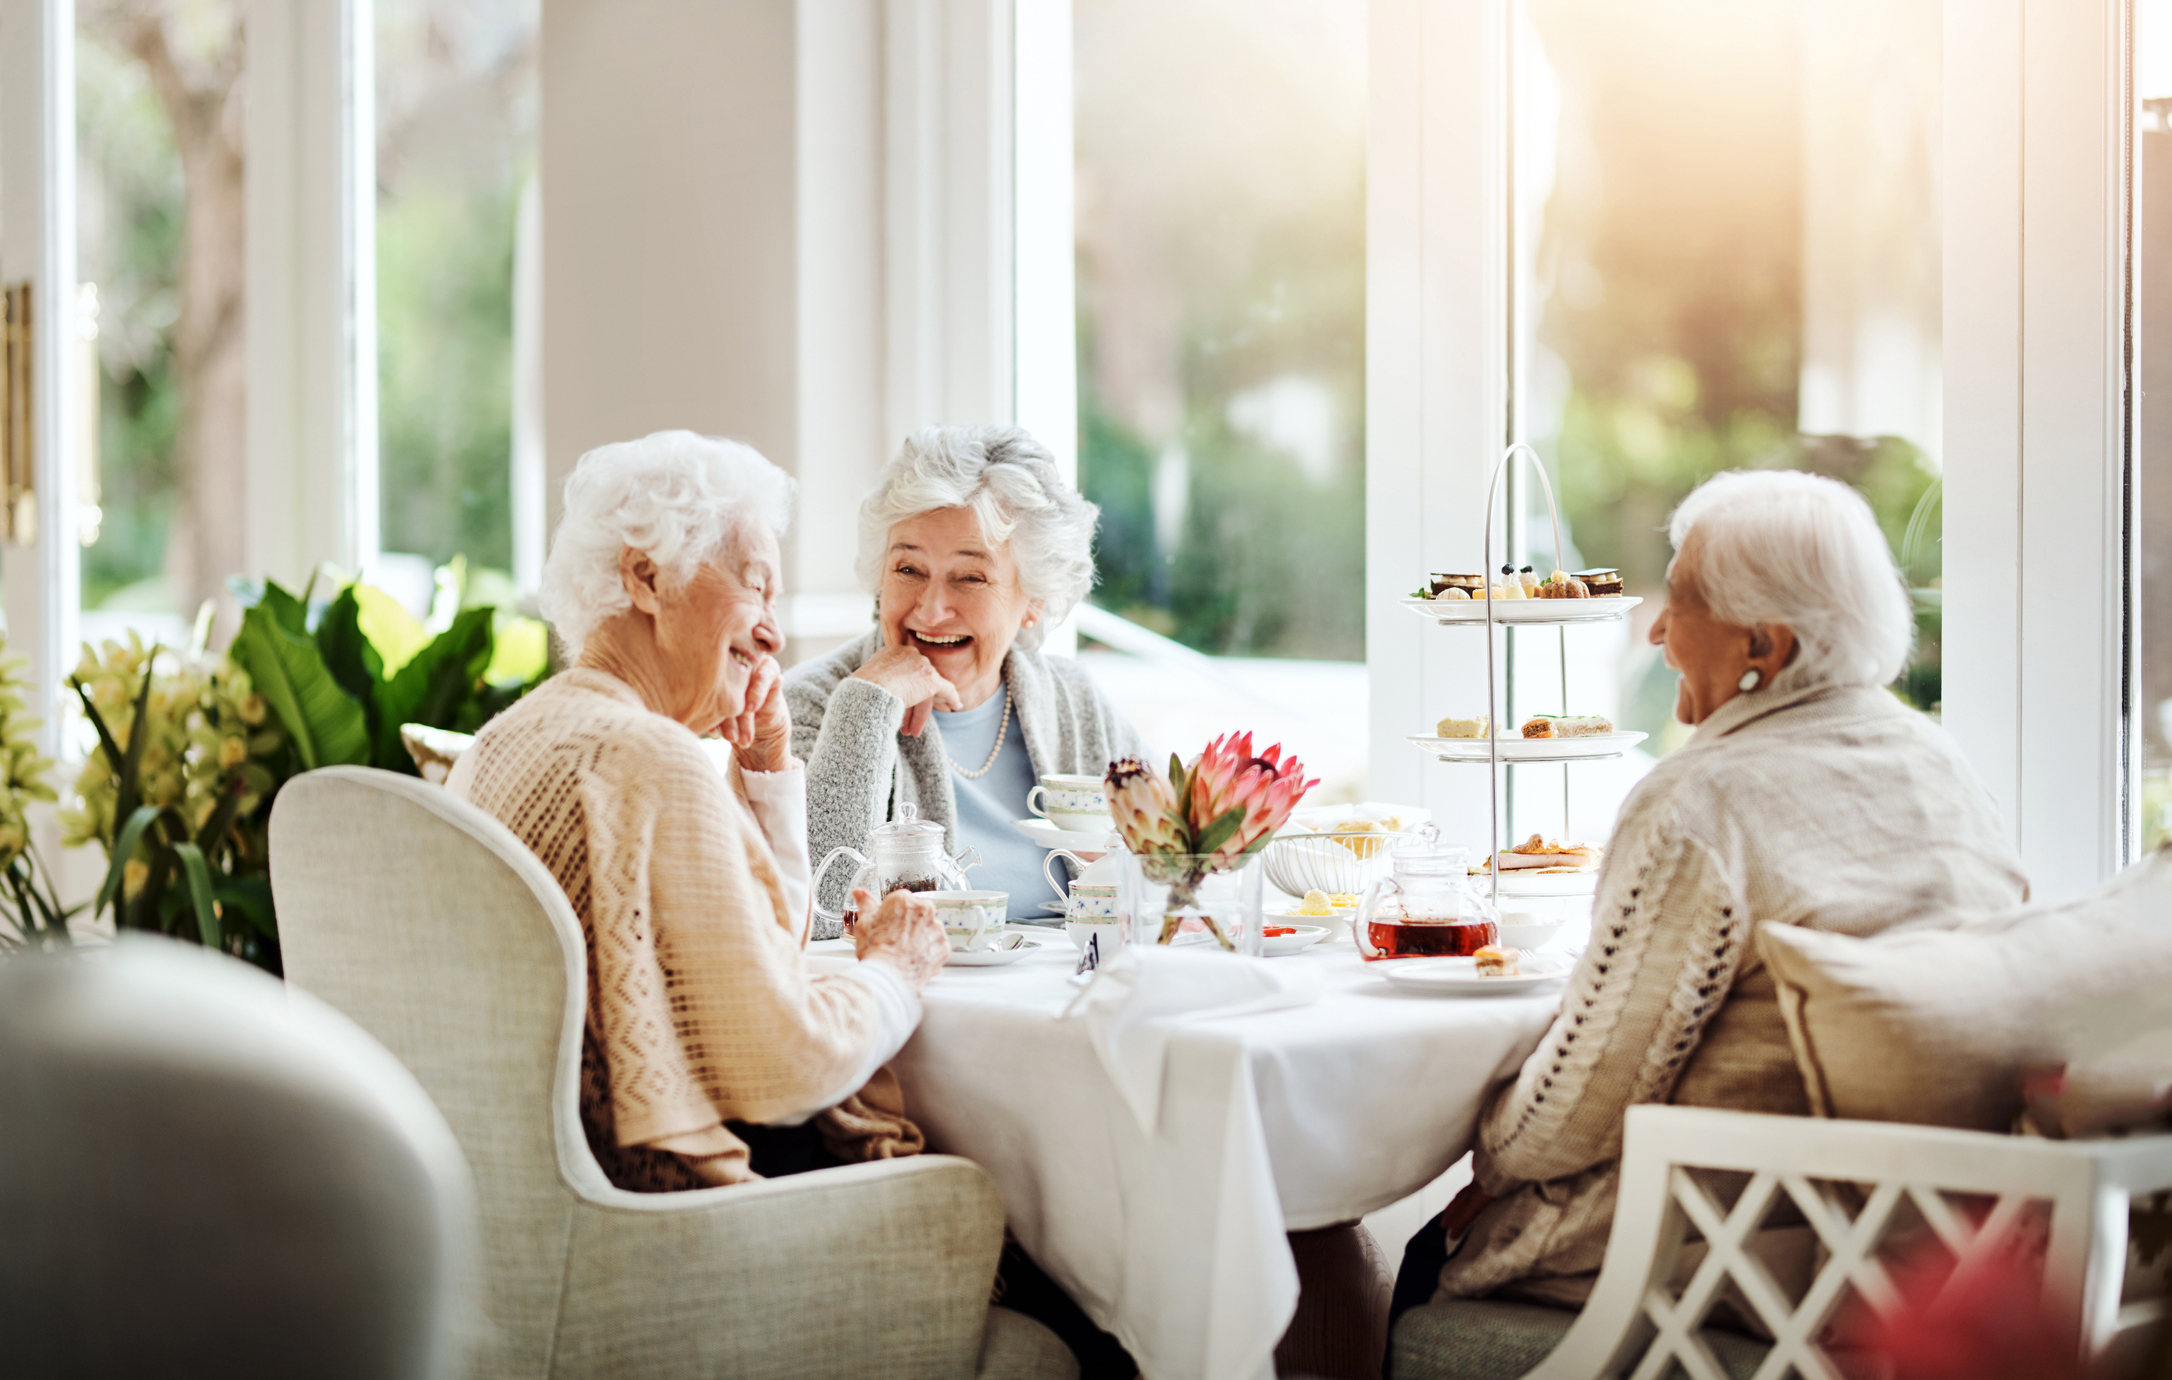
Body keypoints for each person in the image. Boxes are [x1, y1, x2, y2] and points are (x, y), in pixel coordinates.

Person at [1391, 469, 2029, 1321]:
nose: (1655, 629)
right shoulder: (1938, 763)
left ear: (1764, 647)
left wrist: (1486, 1164)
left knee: (1414, 1256)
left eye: (1682, 600)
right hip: (1924, 1251)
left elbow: (1574, 1111)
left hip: (1724, 1248)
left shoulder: (1700, 801)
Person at [447, 430, 949, 1189]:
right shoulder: (649, 761)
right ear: (646, 578)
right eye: (755, 587)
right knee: (980, 1199)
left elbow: (758, 958)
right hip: (667, 1216)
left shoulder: (500, 744)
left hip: (529, 1203)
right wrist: (893, 970)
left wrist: (767, 764)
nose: (775, 634)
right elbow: (786, 1066)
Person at [785, 425, 1150, 934]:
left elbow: (1171, 875)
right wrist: (866, 708)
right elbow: (816, 915)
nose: (931, 610)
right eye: (908, 569)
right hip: (907, 1007)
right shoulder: (811, 704)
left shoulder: (1073, 700)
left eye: (970, 577)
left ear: (1034, 601)